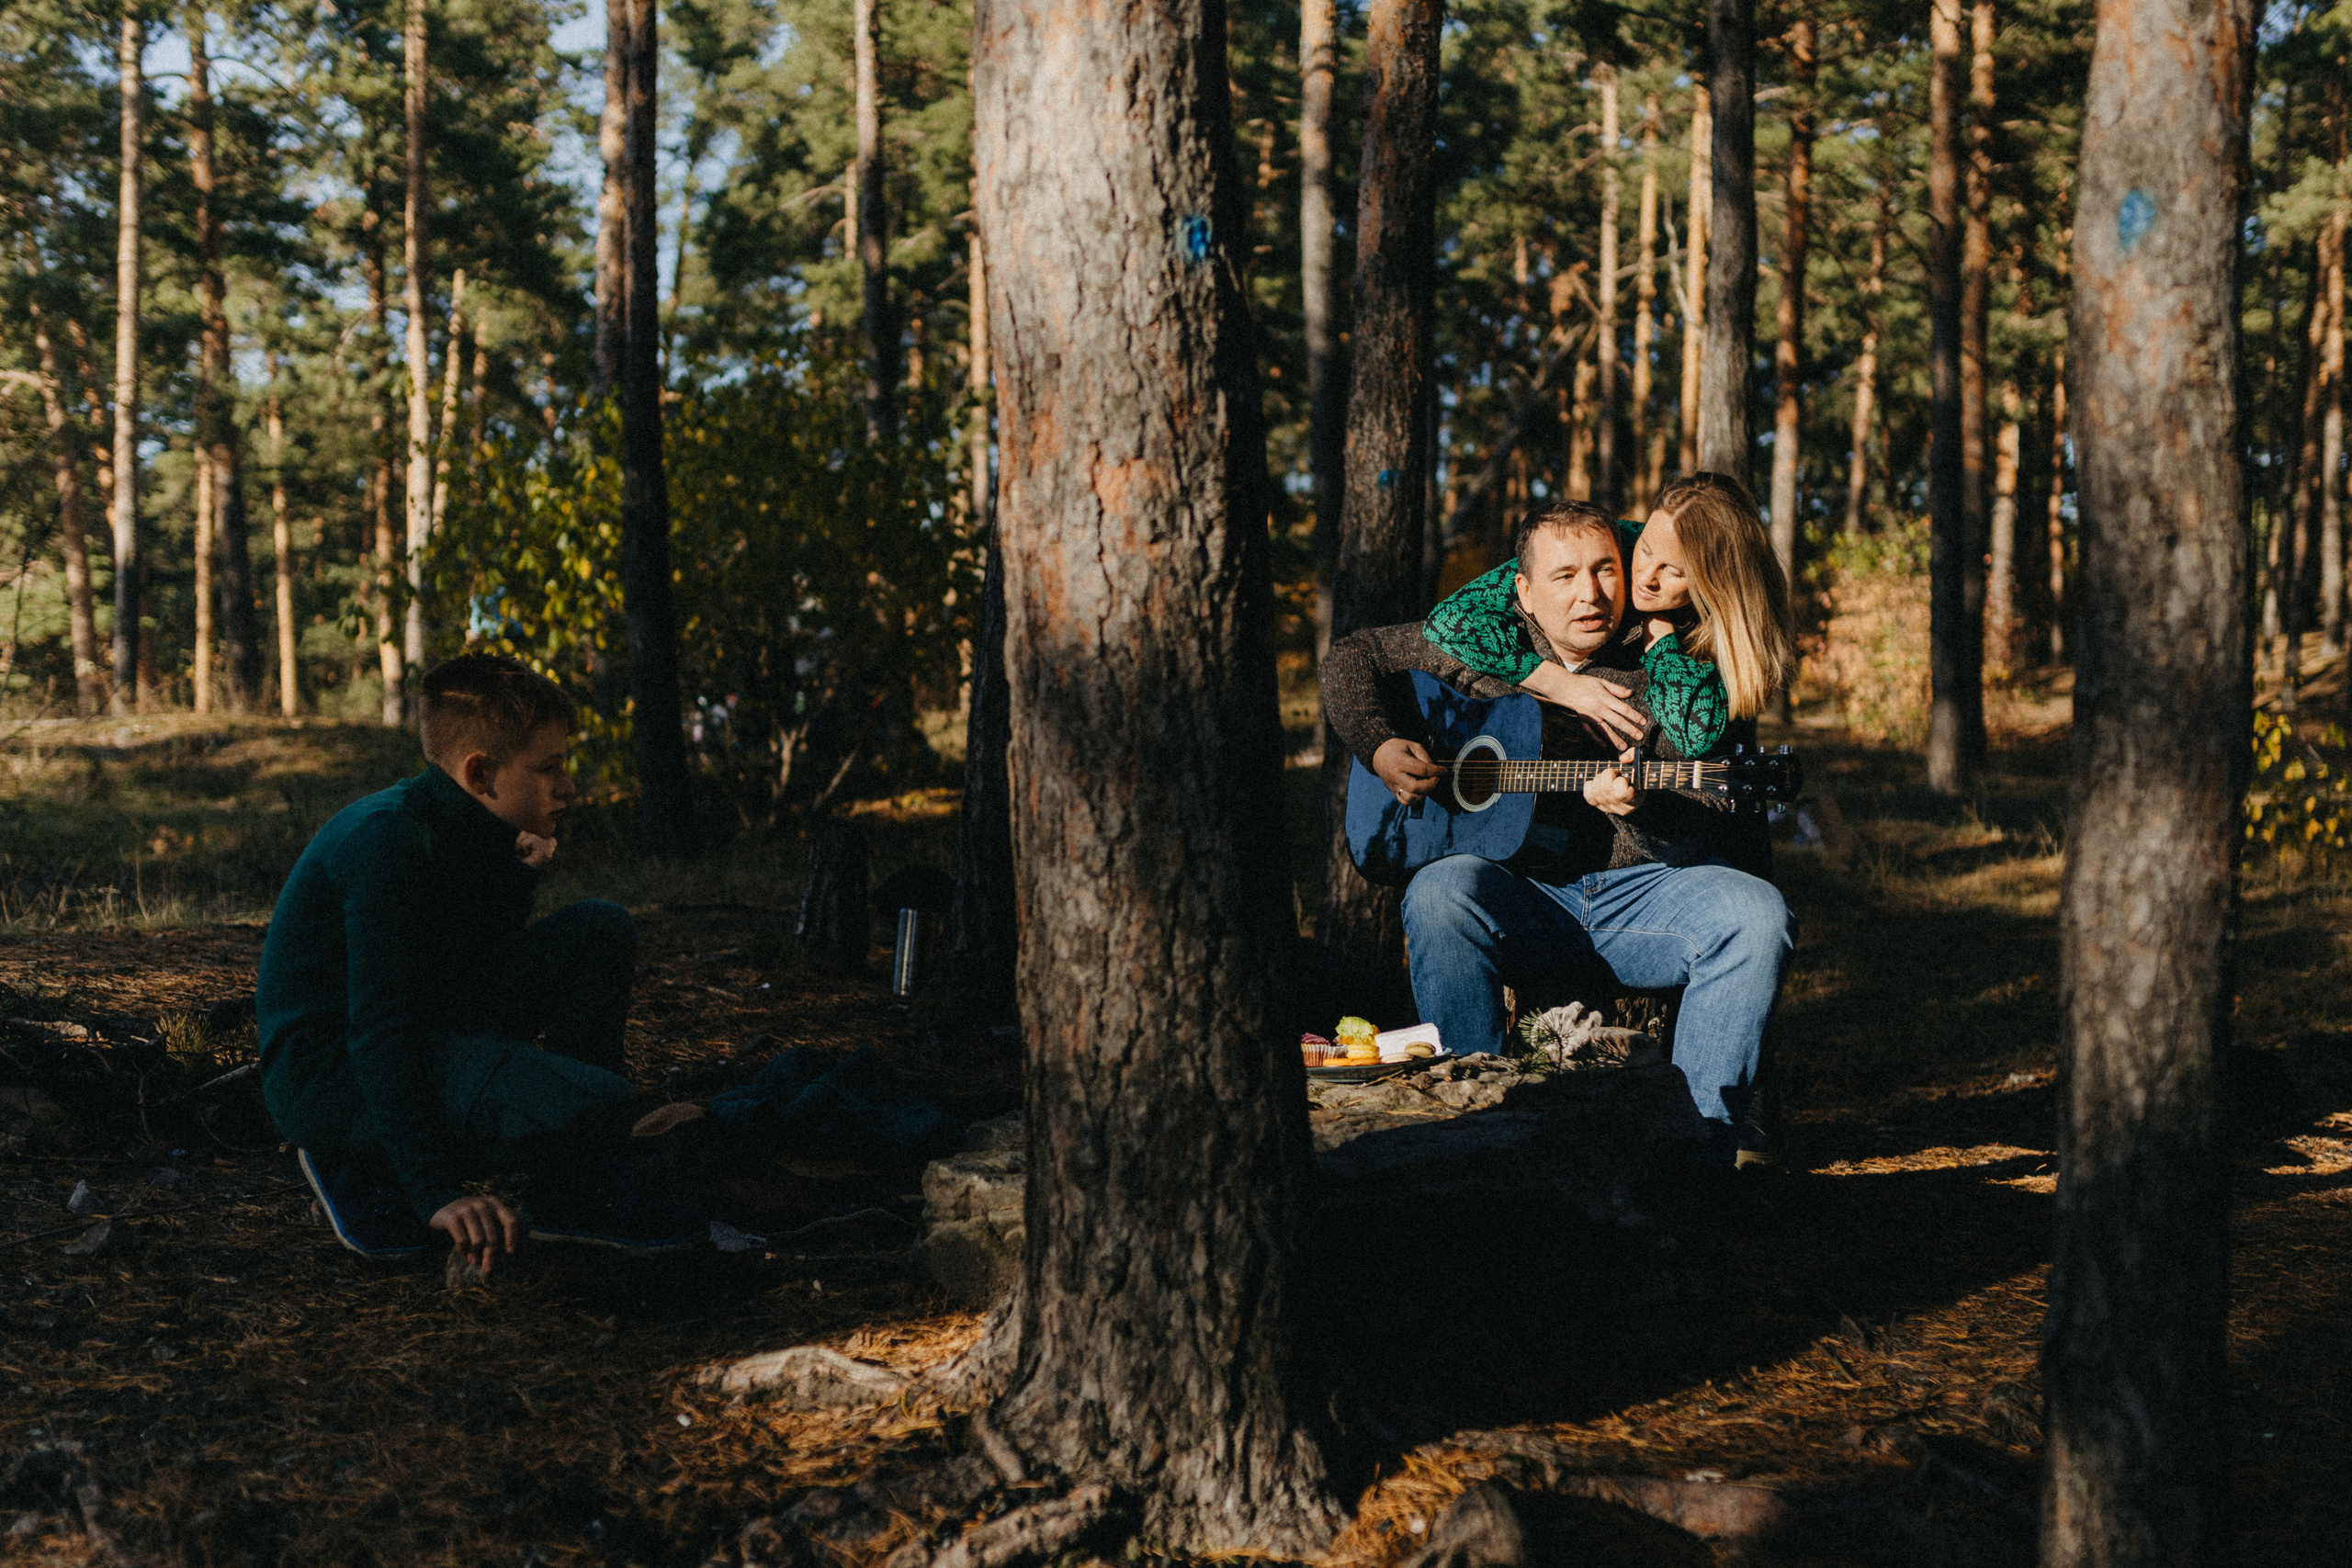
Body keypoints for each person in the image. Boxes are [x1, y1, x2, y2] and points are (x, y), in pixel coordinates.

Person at [1320, 497, 1794, 1169]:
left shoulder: (1672, 658)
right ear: (1525, 591)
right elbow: (1353, 655)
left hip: (1639, 897)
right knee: (1439, 890)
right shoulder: (1488, 640)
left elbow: (1703, 826)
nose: (1590, 593)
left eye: (1605, 570)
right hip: (1523, 899)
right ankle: (1477, 1133)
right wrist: (1380, 744)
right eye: (1565, 576)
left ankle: (1698, 1149)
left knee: (1756, 914)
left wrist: (1639, 811)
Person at [258, 653, 698, 1270]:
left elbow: (465, 963)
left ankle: (575, 1164)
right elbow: (380, 1029)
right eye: (549, 769)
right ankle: (362, 1159)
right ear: (481, 772)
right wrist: (436, 1190)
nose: (568, 786)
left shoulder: (473, 824)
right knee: (603, 1108)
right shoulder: (387, 842)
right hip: (334, 1079)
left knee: (601, 927)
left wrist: (516, 880)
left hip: (425, 1031)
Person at [1420, 472, 1794, 760]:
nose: (1645, 578)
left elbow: (1693, 735)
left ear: (1717, 584)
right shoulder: (1619, 542)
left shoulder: (1735, 624)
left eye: (1674, 571)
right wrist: (1559, 685)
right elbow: (1448, 619)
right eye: (1646, 550)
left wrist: (1661, 637)